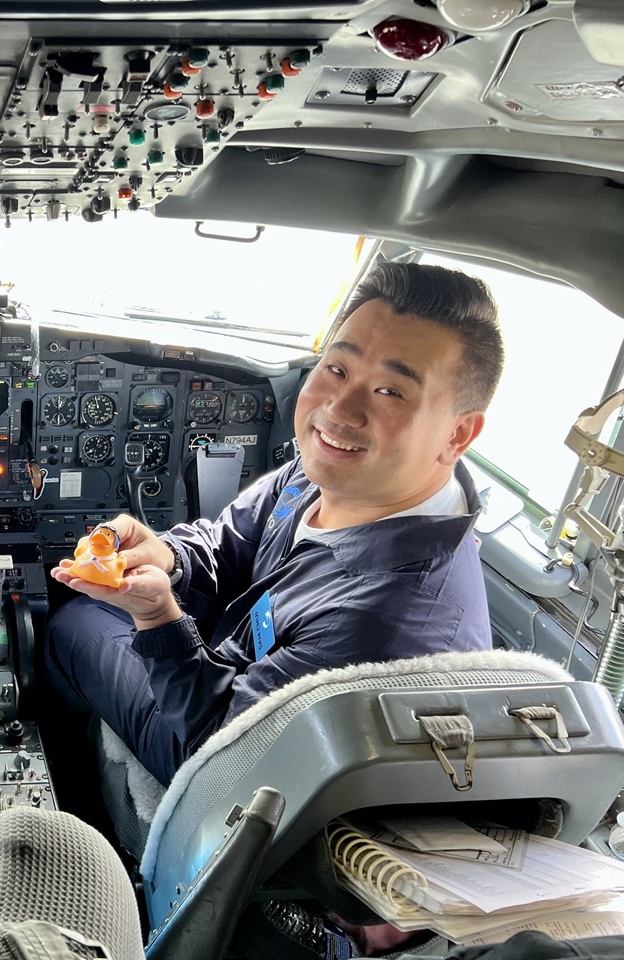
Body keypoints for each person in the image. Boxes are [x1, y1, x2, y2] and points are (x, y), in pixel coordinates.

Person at [44, 262, 504, 785]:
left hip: (218, 750)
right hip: (240, 672)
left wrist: (157, 618)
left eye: (391, 392)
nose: (338, 408)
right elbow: (230, 541)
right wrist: (168, 558)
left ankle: (68, 770)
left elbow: (224, 757)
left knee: (73, 621)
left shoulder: (386, 621)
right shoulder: (337, 472)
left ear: (458, 434)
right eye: (337, 368)